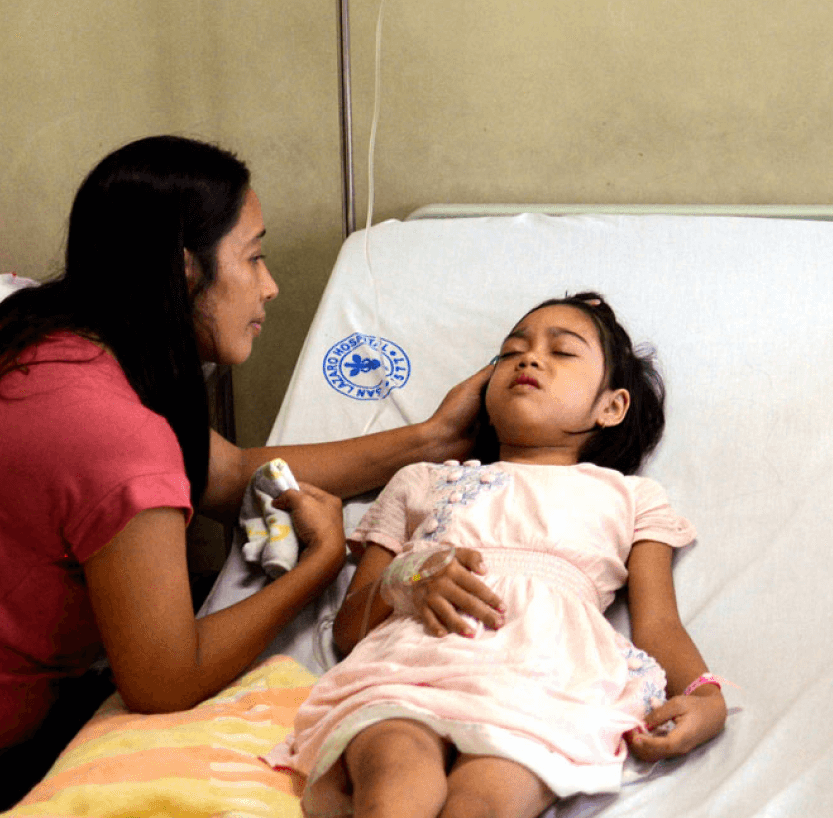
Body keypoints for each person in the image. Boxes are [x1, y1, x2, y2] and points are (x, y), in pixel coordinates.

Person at [0, 135, 495, 817]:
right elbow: (164, 679)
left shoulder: (44, 339)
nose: (270, 284)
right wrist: (321, 563)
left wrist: (432, 437)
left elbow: (232, 473)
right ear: (186, 271)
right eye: (253, 257)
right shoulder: (114, 431)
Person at [271, 293, 727, 818]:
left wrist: (707, 698)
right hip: (413, 670)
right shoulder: (422, 481)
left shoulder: (630, 497)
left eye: (562, 352)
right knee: (395, 782)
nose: (529, 359)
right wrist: (407, 579)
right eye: (513, 351)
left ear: (612, 406)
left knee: (485, 802)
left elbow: (658, 625)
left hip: (542, 689)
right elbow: (349, 628)